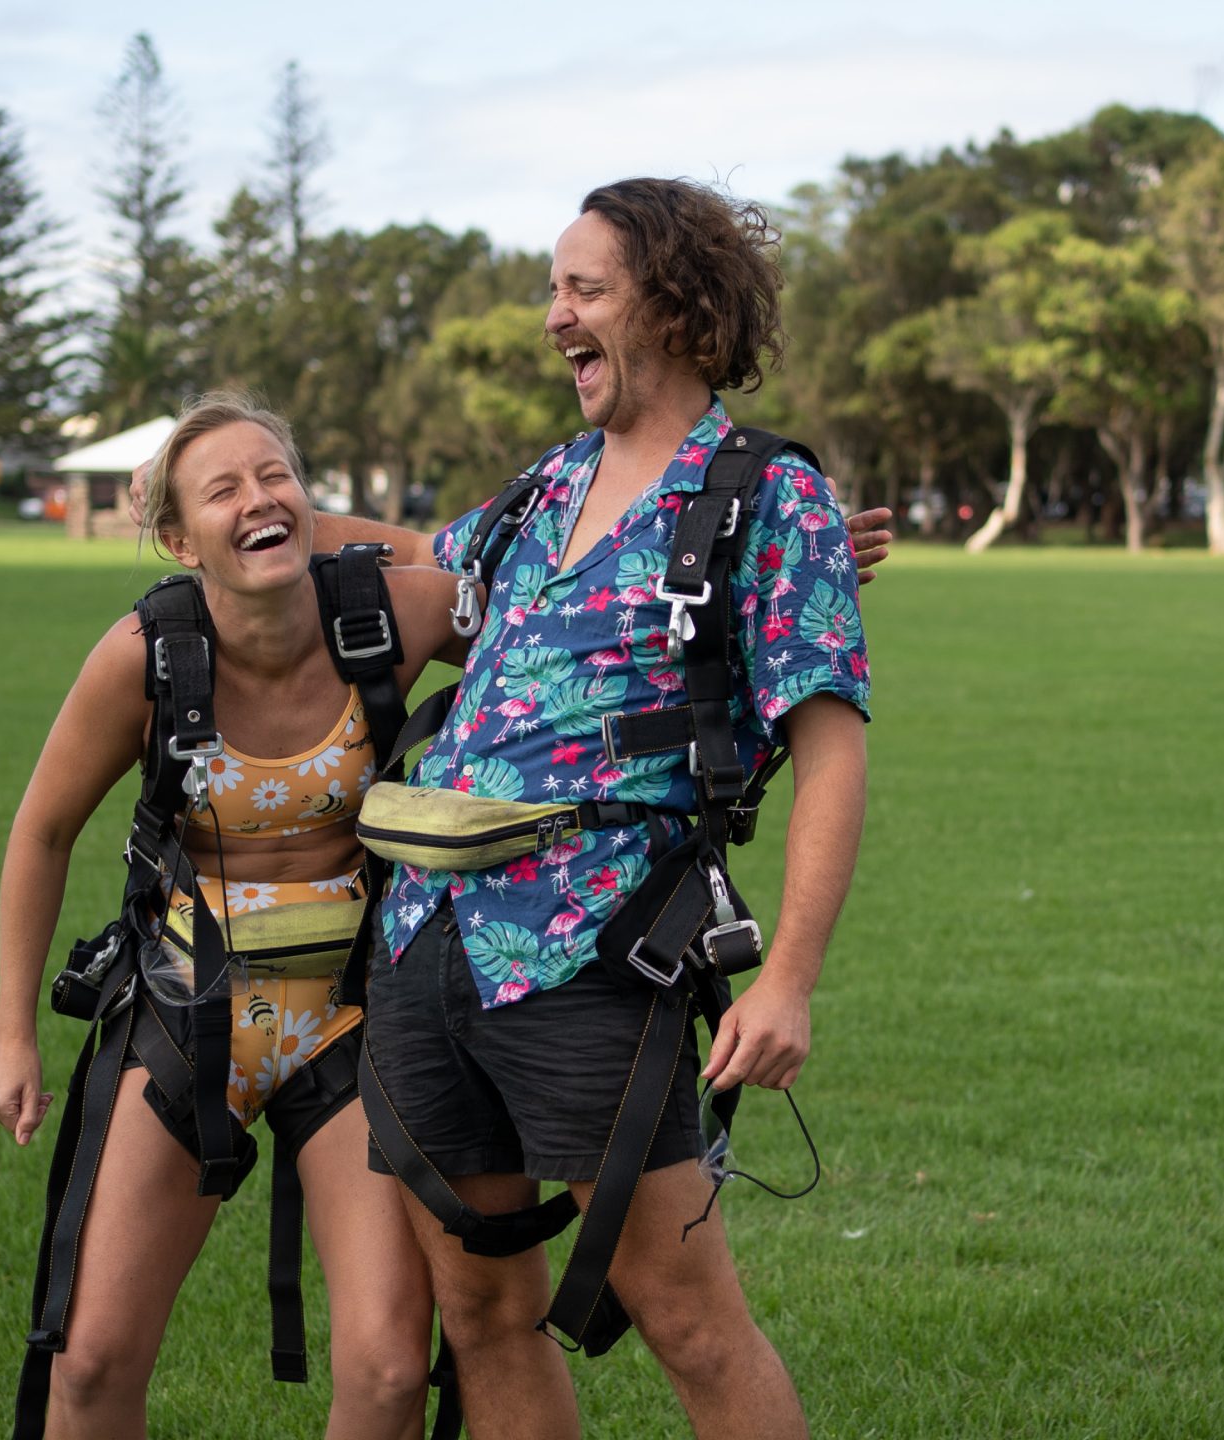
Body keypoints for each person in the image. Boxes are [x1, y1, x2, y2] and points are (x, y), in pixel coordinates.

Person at [309, 177, 873, 1440]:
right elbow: (421, 563)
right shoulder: (547, 483)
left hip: (597, 951)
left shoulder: (766, 496)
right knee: (483, 1314)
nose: (551, 314)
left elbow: (831, 749)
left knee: (687, 1323)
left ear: (672, 306)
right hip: (423, 948)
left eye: (583, 288)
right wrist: (263, 512)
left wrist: (786, 980)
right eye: (552, 286)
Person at [0, 393, 476, 1440]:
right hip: (183, 1018)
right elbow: (41, 832)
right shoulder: (146, 657)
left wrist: (754, 566)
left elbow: (563, 614)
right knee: (91, 1362)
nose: (258, 499)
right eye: (224, 491)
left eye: (275, 477)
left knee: (390, 1371)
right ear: (176, 537)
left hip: (350, 1020)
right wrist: (12, 1038)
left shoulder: (393, 617)